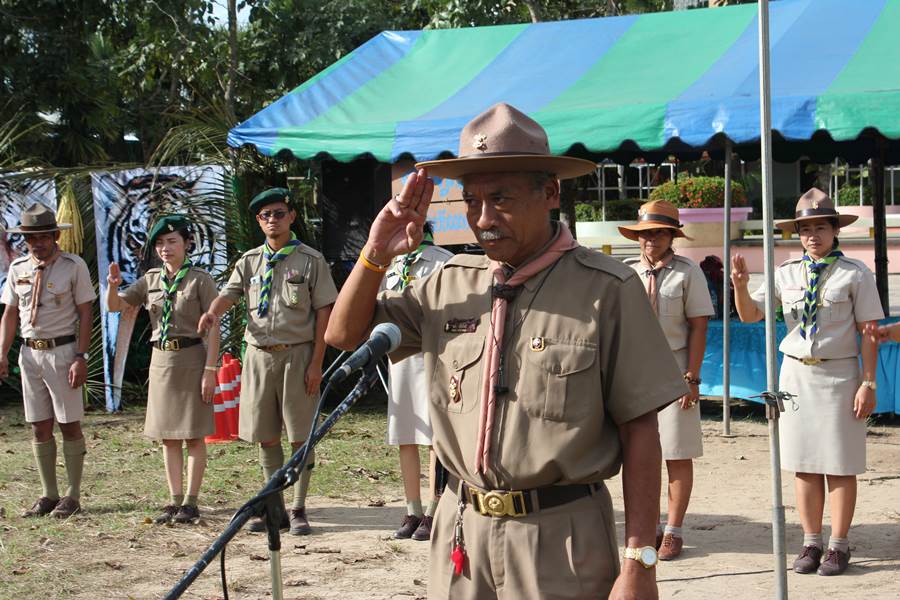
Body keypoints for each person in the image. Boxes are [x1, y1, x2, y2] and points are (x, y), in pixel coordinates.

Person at [325, 103, 688, 599]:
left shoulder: (607, 289)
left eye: (501, 198)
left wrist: (640, 561)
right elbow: (344, 335)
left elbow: (640, 429)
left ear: (550, 193)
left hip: (560, 536)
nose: (484, 219)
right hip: (461, 531)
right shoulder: (449, 284)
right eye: (471, 201)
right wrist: (375, 251)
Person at [731, 188, 882, 577]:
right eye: (805, 229)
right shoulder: (785, 272)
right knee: (804, 463)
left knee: (840, 463)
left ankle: (839, 545)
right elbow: (751, 316)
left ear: (835, 230)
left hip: (839, 375)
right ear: (797, 234)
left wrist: (868, 383)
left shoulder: (855, 273)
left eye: (820, 228)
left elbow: (869, 331)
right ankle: (811, 541)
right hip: (796, 374)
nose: (812, 236)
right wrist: (740, 286)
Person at [197, 188, 337, 535]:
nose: (272, 220)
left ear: (291, 216)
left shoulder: (310, 260)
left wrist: (316, 363)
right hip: (259, 357)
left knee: (301, 436)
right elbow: (229, 294)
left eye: (278, 213)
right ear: (259, 221)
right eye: (265, 215)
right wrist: (212, 312)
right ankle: (275, 508)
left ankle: (299, 507)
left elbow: (325, 312)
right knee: (266, 436)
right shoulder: (249, 261)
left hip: (298, 354)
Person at [105, 215, 220, 524]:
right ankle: (173, 499)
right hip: (161, 362)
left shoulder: (200, 279)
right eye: (159, 243)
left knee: (194, 435)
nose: (165, 248)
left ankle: (191, 502)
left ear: (187, 243)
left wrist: (210, 370)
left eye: (172, 241)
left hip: (192, 359)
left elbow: (214, 326)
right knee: (168, 437)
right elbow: (116, 306)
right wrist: (112, 288)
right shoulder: (151, 279)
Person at [619, 200, 714, 560]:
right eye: (645, 234)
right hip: (636, 371)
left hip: (675, 367)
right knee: (637, 453)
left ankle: (674, 530)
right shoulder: (627, 273)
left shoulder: (687, 273)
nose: (651, 240)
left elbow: (698, 326)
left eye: (659, 233)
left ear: (672, 236)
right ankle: (648, 526)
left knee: (677, 451)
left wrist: (692, 377)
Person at [0, 203, 95, 518]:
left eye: (43, 236)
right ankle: (48, 494)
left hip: (63, 352)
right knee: (39, 425)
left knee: (68, 423)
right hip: (30, 354)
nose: (37, 243)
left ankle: (73, 494)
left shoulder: (73, 266)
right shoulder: (18, 268)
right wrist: (2, 353)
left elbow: (85, 313)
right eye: (31, 238)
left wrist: (81, 356)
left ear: (56, 236)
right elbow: (10, 313)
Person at [381, 221, 454, 541]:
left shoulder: (443, 261)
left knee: (435, 436)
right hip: (399, 360)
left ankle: (434, 510)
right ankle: (412, 510)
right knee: (405, 434)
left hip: (434, 357)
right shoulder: (392, 265)